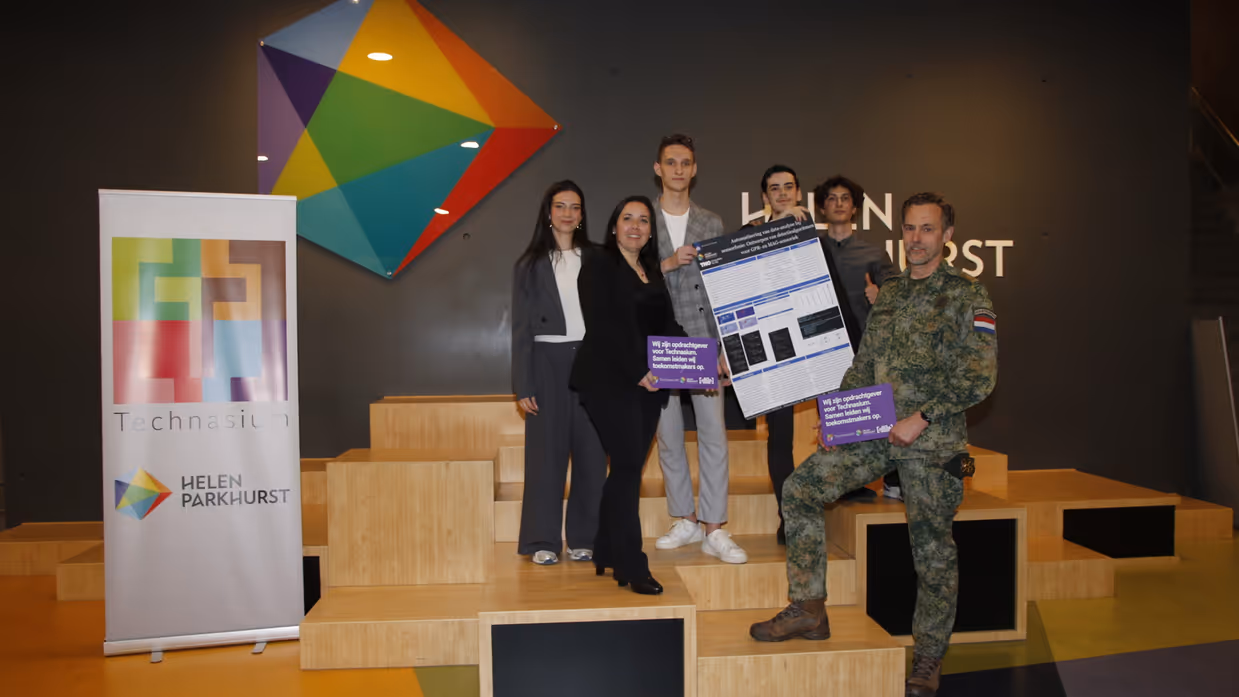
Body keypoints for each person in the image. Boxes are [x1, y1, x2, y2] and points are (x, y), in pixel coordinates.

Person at [749, 193, 998, 697]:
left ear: (947, 236)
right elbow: (864, 365)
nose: (916, 239)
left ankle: (928, 656)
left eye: (927, 229)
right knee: (800, 489)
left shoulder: (968, 295)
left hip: (931, 442)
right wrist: (838, 417)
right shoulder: (893, 292)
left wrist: (920, 419)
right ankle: (810, 609)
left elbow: (980, 377)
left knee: (932, 554)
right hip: (876, 432)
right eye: (909, 228)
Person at [571, 195, 686, 595]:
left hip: (649, 385)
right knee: (626, 469)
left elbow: (668, 326)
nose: (635, 226)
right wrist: (638, 371)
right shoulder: (598, 264)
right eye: (627, 219)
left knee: (626, 469)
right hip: (608, 381)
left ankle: (605, 548)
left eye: (643, 220)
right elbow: (602, 326)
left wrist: (706, 362)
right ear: (614, 226)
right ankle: (632, 564)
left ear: (651, 232)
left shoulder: (651, 271)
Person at [746, 165, 862, 543]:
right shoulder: (749, 234)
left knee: (835, 427)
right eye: (774, 189)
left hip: (817, 342)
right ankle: (789, 517)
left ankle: (830, 504)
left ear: (798, 193)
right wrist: (781, 228)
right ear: (765, 197)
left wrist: (853, 345)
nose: (782, 193)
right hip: (776, 348)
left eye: (788, 187)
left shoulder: (815, 238)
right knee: (779, 437)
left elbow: (833, 292)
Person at [649, 134, 746, 564]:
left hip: (703, 340)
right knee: (668, 436)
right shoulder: (642, 218)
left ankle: (714, 527)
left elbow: (723, 289)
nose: (678, 169)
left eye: (685, 163)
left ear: (694, 169)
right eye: (671, 162)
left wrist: (724, 346)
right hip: (659, 343)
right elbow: (628, 278)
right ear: (658, 168)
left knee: (713, 435)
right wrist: (667, 264)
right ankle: (685, 518)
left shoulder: (711, 222)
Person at [511, 181, 607, 566]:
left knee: (592, 454)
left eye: (575, 207)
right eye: (561, 206)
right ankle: (541, 540)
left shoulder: (598, 258)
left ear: (582, 215)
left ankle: (585, 537)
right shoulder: (529, 264)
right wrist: (523, 383)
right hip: (546, 363)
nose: (568, 213)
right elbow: (520, 329)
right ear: (548, 212)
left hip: (591, 360)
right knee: (545, 457)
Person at [813, 175, 904, 501]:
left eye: (845, 198)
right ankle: (845, 483)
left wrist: (881, 295)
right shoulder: (810, 250)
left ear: (854, 208)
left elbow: (900, 298)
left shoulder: (873, 253)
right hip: (823, 348)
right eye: (831, 198)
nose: (838, 203)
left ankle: (892, 480)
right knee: (835, 419)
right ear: (822, 208)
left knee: (877, 416)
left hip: (867, 350)